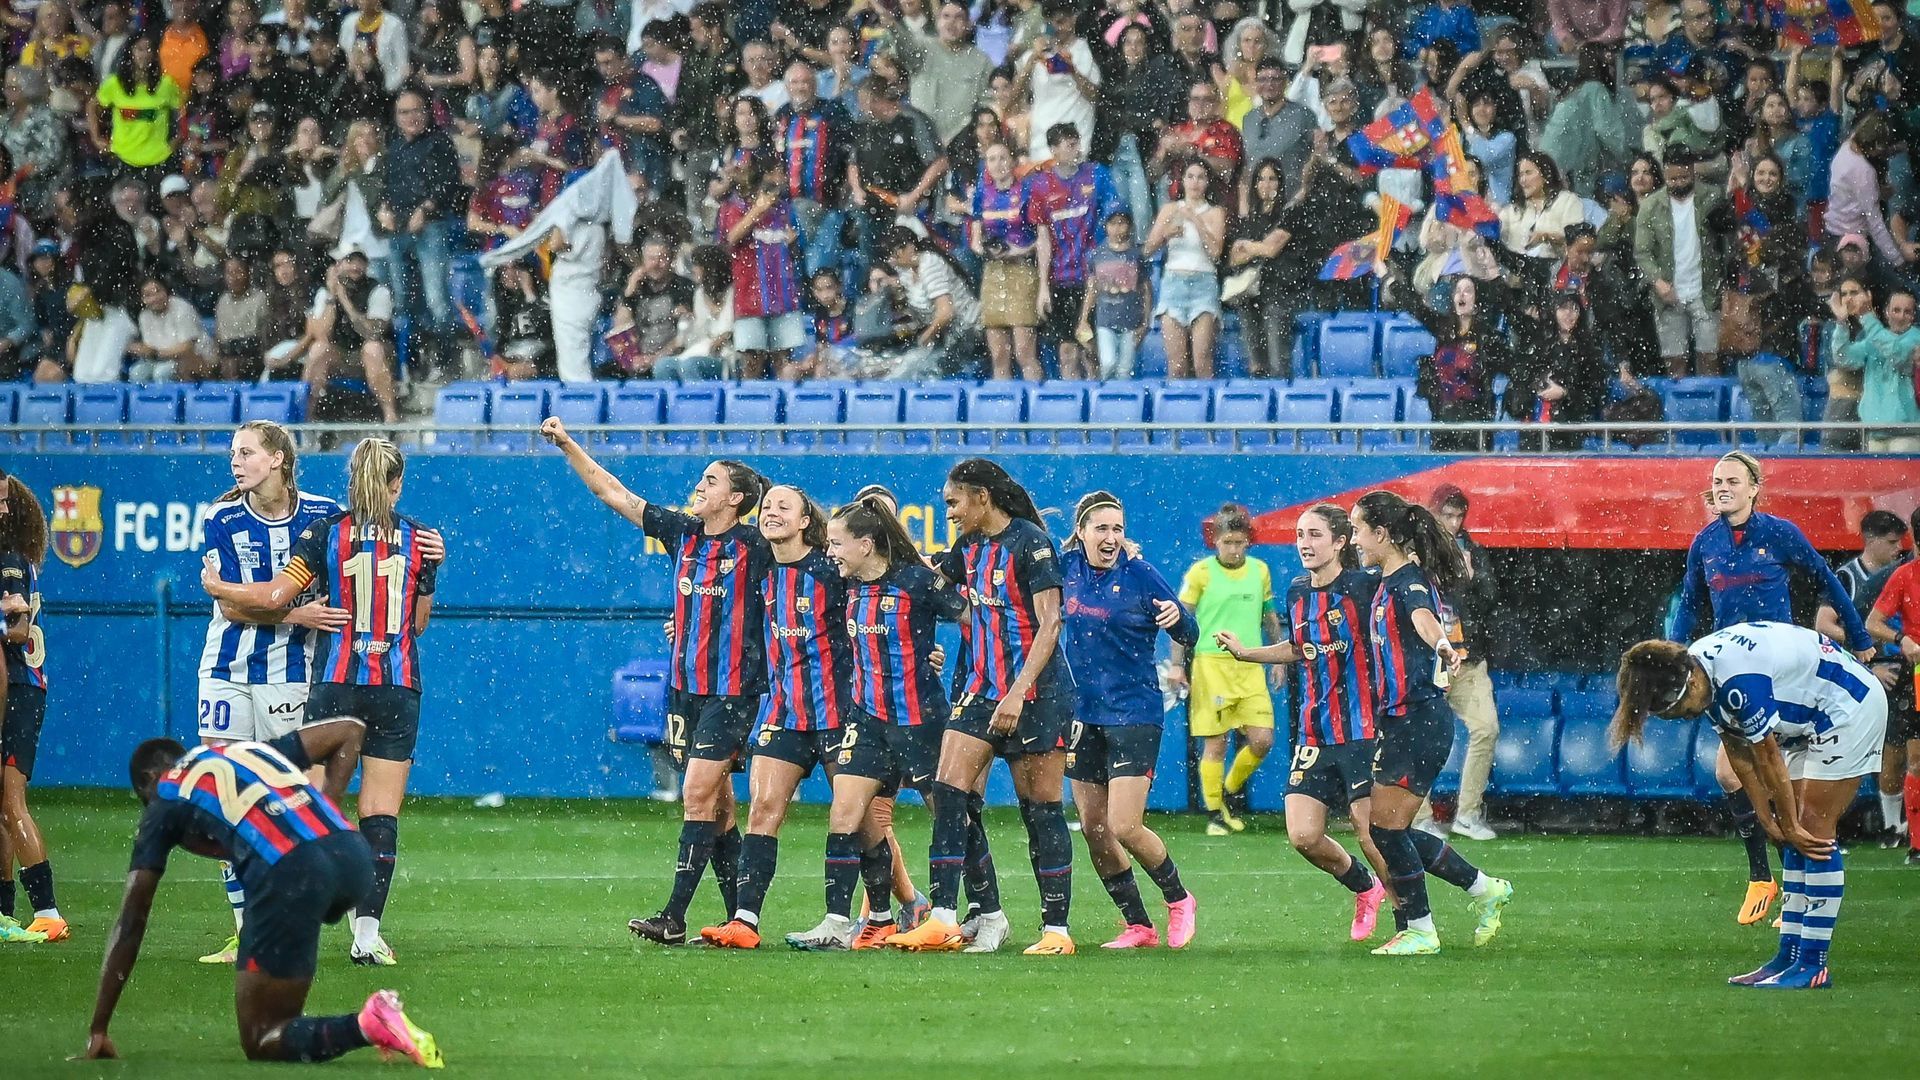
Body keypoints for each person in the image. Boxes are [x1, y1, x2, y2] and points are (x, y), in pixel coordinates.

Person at [199, 437, 448, 969]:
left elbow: (274, 598)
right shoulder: (423, 540)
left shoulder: (325, 533)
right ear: (398, 484)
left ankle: (292, 923)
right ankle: (366, 935)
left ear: (351, 481)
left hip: (336, 686)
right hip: (397, 687)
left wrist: (221, 586)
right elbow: (420, 621)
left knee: (312, 810)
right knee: (379, 815)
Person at [76, 721, 443, 1066]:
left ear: (149, 781)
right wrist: (327, 801)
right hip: (354, 857)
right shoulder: (250, 751)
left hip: (292, 873)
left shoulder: (166, 794)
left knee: (262, 1036)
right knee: (288, 955)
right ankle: (353, 1012)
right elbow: (350, 731)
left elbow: (131, 919)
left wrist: (98, 1028)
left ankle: (369, 1022)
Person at [543, 419, 768, 947]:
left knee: (695, 797)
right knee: (720, 806)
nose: (700, 485)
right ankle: (739, 921)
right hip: (686, 691)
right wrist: (568, 444)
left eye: (712, 480)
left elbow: (819, 565)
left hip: (732, 692)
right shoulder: (683, 532)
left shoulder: (758, 546)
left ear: (735, 499)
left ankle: (674, 917)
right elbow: (612, 492)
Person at [1613, 623, 1887, 989]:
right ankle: (1788, 956)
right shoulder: (1698, 670)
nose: (1685, 718)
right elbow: (1739, 751)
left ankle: (1813, 964)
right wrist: (1766, 819)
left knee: (1811, 827)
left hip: (1847, 709)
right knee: (1792, 833)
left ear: (1691, 685)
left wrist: (1788, 824)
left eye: (1680, 711)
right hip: (1807, 719)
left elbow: (1768, 756)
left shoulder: (1738, 680)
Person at [1671, 450, 1875, 925]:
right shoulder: (1705, 543)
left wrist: (1860, 638)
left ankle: (1792, 884)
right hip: (1731, 671)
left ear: (1753, 488)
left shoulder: (1780, 533)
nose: (1723, 487)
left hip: (1781, 673)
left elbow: (1826, 579)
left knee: (1782, 784)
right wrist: (1676, 654)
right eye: (1717, 481)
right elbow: (1690, 602)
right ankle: (1766, 876)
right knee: (1731, 775)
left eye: (1732, 481)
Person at [889, 459, 1077, 956]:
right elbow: (930, 580)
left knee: (1040, 811)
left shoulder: (1031, 543)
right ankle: (953, 917)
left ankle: (1056, 931)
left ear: (981, 498)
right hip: (978, 689)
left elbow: (1051, 624)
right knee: (949, 791)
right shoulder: (968, 546)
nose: (948, 511)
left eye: (953, 502)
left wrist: (1017, 692)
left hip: (1037, 694)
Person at [784, 496, 974, 952]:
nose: (830, 553)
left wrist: (975, 680)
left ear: (866, 545)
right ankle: (847, 920)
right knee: (844, 815)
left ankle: (985, 912)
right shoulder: (846, 582)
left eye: (837, 544)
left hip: (920, 720)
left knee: (953, 816)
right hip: (867, 720)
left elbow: (976, 619)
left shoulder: (918, 581)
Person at [702, 486, 884, 949]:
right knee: (763, 809)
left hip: (840, 713)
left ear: (806, 521)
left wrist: (924, 651)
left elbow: (877, 606)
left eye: (784, 507)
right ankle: (744, 921)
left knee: (858, 821)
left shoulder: (830, 570)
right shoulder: (760, 566)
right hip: (784, 712)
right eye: (766, 507)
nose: (771, 513)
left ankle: (877, 916)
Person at [192, 422, 346, 966]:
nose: (236, 462)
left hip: (291, 674)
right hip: (226, 670)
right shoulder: (219, 516)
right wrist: (295, 612)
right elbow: (232, 607)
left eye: (247, 452)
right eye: (233, 453)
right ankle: (245, 930)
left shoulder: (323, 514)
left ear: (278, 458)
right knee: (223, 799)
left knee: (287, 799)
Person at [1214, 503, 1391, 941]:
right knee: (1303, 835)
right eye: (1300, 535)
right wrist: (1248, 653)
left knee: (1374, 836)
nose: (1305, 544)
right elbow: (1298, 647)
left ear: (1340, 541)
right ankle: (1366, 888)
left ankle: (1412, 920)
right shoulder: (1296, 591)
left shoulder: (1364, 587)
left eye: (1314, 535)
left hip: (1363, 731)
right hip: (1315, 732)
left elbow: (1406, 599)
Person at [1349, 491, 1513, 957]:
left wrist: (1443, 645)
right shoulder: (1385, 580)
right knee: (1387, 830)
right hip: (1402, 721)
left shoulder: (1409, 582)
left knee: (1383, 830)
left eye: (1360, 529)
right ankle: (1483, 889)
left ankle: (1421, 930)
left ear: (1382, 534)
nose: (1356, 539)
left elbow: (1424, 619)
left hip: (1419, 720)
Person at [1059, 491, 1200, 950]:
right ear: (1081, 532)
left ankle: (1179, 899)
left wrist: (1178, 618)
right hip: (1084, 714)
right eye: (1101, 528)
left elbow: (1189, 633)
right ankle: (1138, 925)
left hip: (1134, 713)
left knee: (1124, 825)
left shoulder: (1140, 574)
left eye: (1118, 528)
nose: (1111, 537)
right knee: (1095, 829)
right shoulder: (1065, 570)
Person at [1166, 504, 1278, 836]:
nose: (1233, 549)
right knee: (1216, 743)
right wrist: (1175, 665)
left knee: (1262, 739)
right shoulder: (1200, 573)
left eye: (1239, 542)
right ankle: (1215, 813)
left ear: (1248, 543)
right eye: (1227, 542)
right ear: (1216, 541)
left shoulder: (1260, 571)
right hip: (1212, 664)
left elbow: (1269, 616)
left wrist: (1278, 658)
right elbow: (1179, 621)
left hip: (1251, 663)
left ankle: (1227, 792)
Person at [1817, 509, 1913, 854]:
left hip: (1897, 671)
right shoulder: (1847, 578)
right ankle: (1830, 829)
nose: (1897, 549)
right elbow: (1823, 625)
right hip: (1862, 676)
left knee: (1898, 750)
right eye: (1891, 543)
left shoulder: (1900, 574)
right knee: (1852, 754)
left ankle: (1893, 826)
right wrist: (1864, 655)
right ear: (1870, 541)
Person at [1416, 487, 1503, 841]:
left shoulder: (1472, 551)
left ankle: (1466, 815)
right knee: (1416, 740)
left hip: (1468, 659)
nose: (1453, 523)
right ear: (1433, 514)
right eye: (1447, 516)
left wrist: (1473, 577)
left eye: (1458, 516)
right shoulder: (1416, 552)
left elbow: (1492, 599)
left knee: (1487, 728)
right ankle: (1420, 817)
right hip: (1428, 662)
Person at [0, 471, 57, 944]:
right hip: (17, 686)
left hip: (19, 687)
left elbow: (16, 631)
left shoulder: (9, 560)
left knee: (11, 800)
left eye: (4, 502)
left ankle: (48, 911)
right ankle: (3, 913)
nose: (2, 510)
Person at [379, 90, 463, 380]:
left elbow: (450, 183)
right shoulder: (393, 148)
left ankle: (445, 362)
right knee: (402, 302)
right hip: (398, 230)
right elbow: (386, 187)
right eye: (405, 112)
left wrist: (425, 208)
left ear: (426, 113)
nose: (412, 117)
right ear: (397, 118)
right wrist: (384, 208)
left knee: (437, 300)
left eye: (417, 110)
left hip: (431, 228)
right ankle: (410, 365)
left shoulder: (440, 142)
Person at [1027, 122, 1117, 380]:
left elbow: (1115, 218)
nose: (1074, 147)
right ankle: (1074, 415)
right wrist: (1043, 286)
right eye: (1068, 143)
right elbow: (1043, 238)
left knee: (1091, 350)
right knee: (1067, 352)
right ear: (1054, 149)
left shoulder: (1096, 175)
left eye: (1076, 141)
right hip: (1061, 280)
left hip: (1092, 278)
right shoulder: (1041, 186)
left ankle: (1097, 412)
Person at [718, 157, 805, 379]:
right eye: (772, 174)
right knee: (752, 363)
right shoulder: (733, 208)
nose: (778, 180)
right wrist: (756, 211)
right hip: (750, 298)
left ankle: (786, 410)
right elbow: (731, 238)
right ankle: (750, 410)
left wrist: (794, 243)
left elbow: (797, 251)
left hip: (783, 298)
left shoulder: (784, 209)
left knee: (784, 361)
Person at [1144, 160, 1225, 380]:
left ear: (1207, 182)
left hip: (1203, 284)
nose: (1195, 182)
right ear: (1182, 180)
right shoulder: (1170, 209)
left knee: (1202, 362)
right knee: (1177, 365)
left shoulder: (1215, 212)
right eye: (1190, 176)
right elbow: (1148, 249)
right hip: (1173, 283)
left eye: (1200, 177)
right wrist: (1165, 234)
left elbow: (1216, 252)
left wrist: (1195, 220)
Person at [303, 244, 398, 424]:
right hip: (342, 356)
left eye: (360, 262)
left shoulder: (378, 291)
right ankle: (307, 420)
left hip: (376, 356)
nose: (355, 266)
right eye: (349, 261)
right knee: (318, 350)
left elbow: (372, 333)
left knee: (372, 349)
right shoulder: (324, 293)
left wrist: (345, 301)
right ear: (338, 266)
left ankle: (390, 418)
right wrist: (332, 297)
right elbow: (322, 334)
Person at [972, 140, 1042, 380]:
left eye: (1003, 158)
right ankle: (1003, 412)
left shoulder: (1026, 191)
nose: (998, 164)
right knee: (999, 354)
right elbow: (974, 239)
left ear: (1012, 161)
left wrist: (1018, 250)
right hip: (993, 272)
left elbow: (1041, 238)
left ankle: (1036, 408)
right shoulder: (982, 194)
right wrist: (987, 250)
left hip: (1022, 271)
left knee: (1024, 353)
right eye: (992, 159)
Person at [1829, 282, 1920, 452]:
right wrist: (1841, 323)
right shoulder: (1874, 339)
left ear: (1913, 316)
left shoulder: (1916, 338)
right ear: (1886, 313)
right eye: (1896, 310)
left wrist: (1867, 316)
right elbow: (1843, 358)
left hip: (1908, 432)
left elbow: (1896, 352)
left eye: (1907, 312)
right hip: (1873, 431)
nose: (1900, 317)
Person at [89, 34, 183, 184]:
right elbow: (93, 106)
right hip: (123, 158)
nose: (144, 54)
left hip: (158, 159)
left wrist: (177, 141)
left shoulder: (166, 85)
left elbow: (182, 113)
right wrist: (96, 138)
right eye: (140, 49)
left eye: (148, 49)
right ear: (130, 52)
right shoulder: (114, 84)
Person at [1016, 0, 1100, 164]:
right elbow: (1013, 98)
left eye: (1062, 21)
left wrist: (1072, 70)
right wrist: (1033, 58)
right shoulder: (1038, 53)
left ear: (1073, 19)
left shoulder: (1084, 50)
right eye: (1052, 21)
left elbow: (1095, 96)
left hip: (1074, 146)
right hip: (1040, 146)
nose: (1057, 27)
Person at [1077, 209, 1152, 380]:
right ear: (1105, 226)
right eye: (1112, 223)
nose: (1117, 228)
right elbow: (1092, 289)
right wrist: (1084, 319)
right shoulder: (1098, 255)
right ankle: (1105, 398)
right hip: (1105, 320)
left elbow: (1146, 290)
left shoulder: (1136, 255)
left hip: (1131, 321)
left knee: (1125, 369)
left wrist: (1145, 321)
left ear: (1130, 226)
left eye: (1122, 222)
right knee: (1108, 362)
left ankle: (1123, 405)